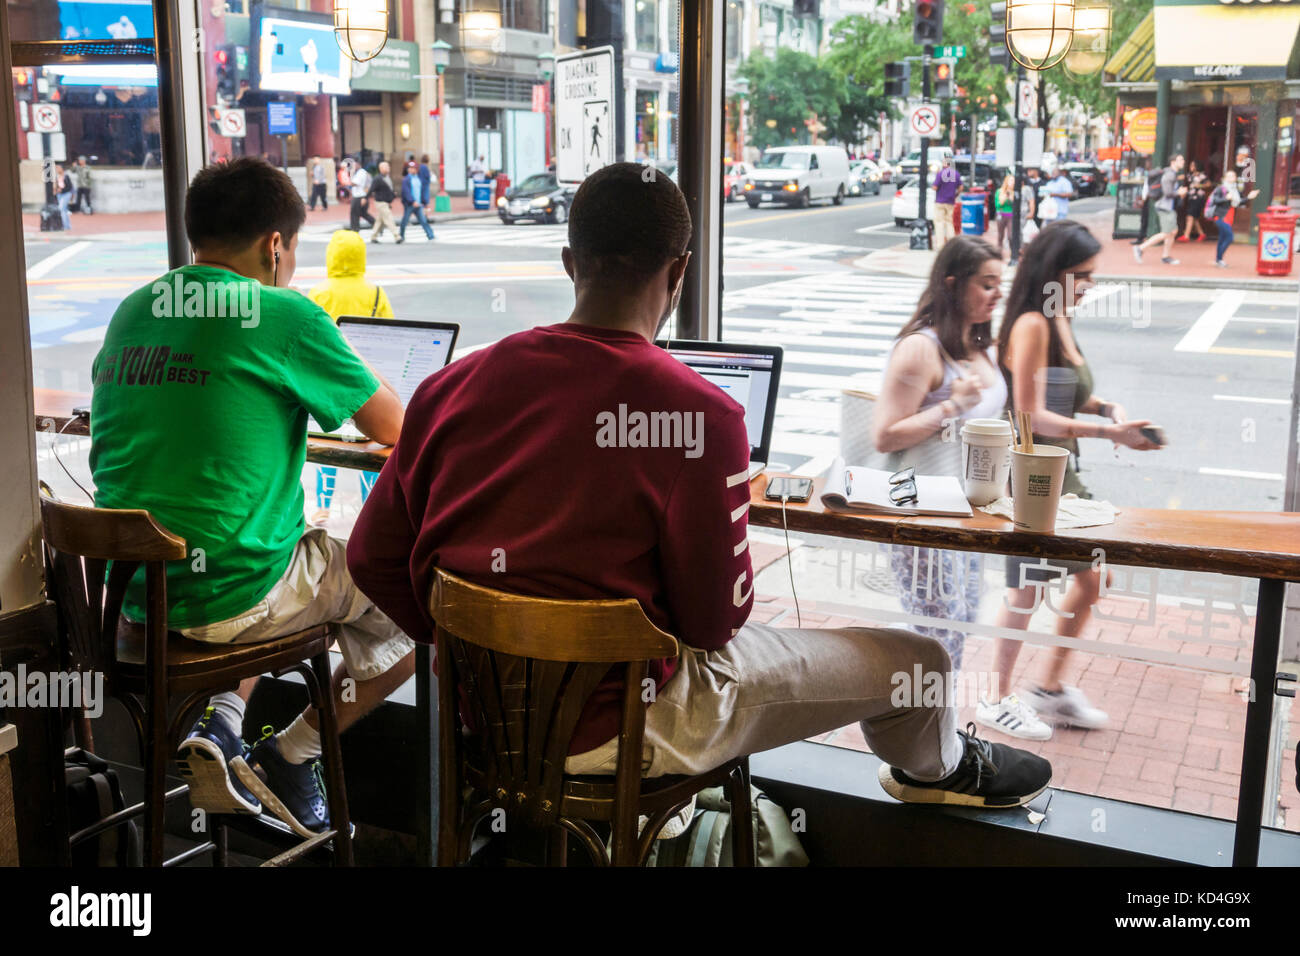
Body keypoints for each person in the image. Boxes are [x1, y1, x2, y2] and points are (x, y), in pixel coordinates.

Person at [346, 162, 1053, 810]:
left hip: (482, 719)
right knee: (920, 661)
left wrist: (478, 649)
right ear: (680, 272)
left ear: (569, 263)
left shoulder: (448, 388)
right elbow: (713, 628)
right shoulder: (703, 415)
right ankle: (946, 777)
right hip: (631, 727)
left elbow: (371, 559)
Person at [89, 157, 412, 835]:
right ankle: (293, 755)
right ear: (275, 245)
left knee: (266, 529)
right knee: (418, 591)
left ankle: (225, 725)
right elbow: (395, 427)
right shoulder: (281, 313)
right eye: (291, 251)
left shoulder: (132, 311)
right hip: (229, 600)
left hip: (134, 608)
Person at [984, 220, 1162, 739]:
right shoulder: (1032, 325)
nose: (1089, 285)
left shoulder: (1060, 318)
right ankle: (998, 695)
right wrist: (1111, 431)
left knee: (1089, 576)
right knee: (1028, 588)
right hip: (1032, 473)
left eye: (1091, 275)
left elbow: (1063, 397)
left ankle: (1049, 689)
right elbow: (1032, 415)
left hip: (1058, 470)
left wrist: (1106, 407)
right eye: (1081, 274)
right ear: (1053, 271)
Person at [873, 236, 1016, 704]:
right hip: (921, 506)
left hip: (969, 506)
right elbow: (885, 434)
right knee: (941, 632)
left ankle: (928, 732)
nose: (997, 293)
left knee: (962, 617)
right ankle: (931, 743)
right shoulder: (921, 349)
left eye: (1001, 283)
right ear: (953, 284)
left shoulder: (981, 343)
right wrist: (951, 407)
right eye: (986, 284)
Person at [308, 229, 395, 525]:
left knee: (330, 441)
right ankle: (369, 506)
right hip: (365, 379)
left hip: (329, 382)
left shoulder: (320, 292)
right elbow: (389, 328)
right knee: (371, 444)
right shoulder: (376, 292)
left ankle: (323, 505)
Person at [1134, 154, 1186, 265]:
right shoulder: (1169, 175)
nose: (1183, 161)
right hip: (1164, 207)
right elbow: (1168, 193)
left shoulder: (1172, 174)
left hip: (1167, 206)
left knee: (1173, 231)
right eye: (1180, 160)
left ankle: (1166, 256)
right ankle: (1140, 248)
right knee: (1166, 233)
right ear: (1173, 162)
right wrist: (1179, 192)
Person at [1205, 170, 1259, 269]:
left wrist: (1249, 197)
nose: (1231, 178)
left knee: (1222, 238)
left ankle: (1218, 259)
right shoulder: (1220, 189)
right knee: (1229, 237)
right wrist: (1226, 198)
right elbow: (1216, 200)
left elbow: (1238, 202)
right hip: (1220, 217)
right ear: (1225, 178)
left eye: (1233, 176)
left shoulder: (1234, 190)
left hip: (1229, 217)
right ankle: (1220, 260)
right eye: (1229, 176)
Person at [398, 161, 434, 243]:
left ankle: (430, 235)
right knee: (405, 220)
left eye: (413, 168)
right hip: (410, 204)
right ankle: (401, 235)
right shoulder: (406, 179)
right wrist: (412, 201)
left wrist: (424, 202)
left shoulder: (418, 179)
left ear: (416, 169)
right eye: (410, 168)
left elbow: (421, 191)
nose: (411, 170)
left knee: (423, 220)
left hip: (418, 204)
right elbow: (406, 192)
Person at [931, 156, 963, 249]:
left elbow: (935, 187)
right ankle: (951, 245)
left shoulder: (940, 174)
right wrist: (956, 194)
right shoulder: (956, 174)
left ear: (945, 164)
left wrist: (933, 187)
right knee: (949, 223)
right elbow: (961, 187)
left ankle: (940, 245)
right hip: (950, 201)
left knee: (939, 223)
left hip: (940, 201)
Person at [366, 161, 398, 243]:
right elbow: (371, 189)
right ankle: (397, 236)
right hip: (380, 202)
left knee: (380, 221)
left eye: (388, 167)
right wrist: (365, 198)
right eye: (386, 167)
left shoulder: (387, 177)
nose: (388, 168)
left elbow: (389, 189)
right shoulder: (377, 179)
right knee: (388, 218)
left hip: (386, 202)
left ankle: (373, 236)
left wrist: (393, 195)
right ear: (381, 169)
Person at [1177, 160, 1209, 243]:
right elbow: (1182, 177)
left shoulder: (1202, 175)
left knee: (1190, 216)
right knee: (1194, 217)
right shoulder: (1190, 175)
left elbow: (1209, 184)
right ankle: (1202, 234)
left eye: (1192, 165)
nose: (1191, 167)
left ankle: (1186, 236)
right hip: (1191, 198)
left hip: (1198, 198)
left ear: (1196, 166)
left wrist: (1200, 185)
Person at [348, 159, 374, 232]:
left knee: (354, 214)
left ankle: (355, 229)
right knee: (363, 213)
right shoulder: (360, 173)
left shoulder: (361, 173)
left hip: (359, 196)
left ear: (358, 164)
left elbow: (354, 183)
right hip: (360, 196)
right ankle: (376, 225)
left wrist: (350, 177)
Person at [994, 173, 1015, 252]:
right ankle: (998, 252)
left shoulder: (1015, 192)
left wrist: (1011, 197)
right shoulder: (999, 191)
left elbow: (1015, 205)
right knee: (1000, 236)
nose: (1013, 182)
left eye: (1013, 180)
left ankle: (1012, 253)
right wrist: (1005, 196)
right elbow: (998, 205)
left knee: (1010, 236)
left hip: (1011, 216)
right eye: (1011, 180)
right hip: (1001, 215)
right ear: (1006, 181)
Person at [54, 163, 74, 231]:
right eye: (56, 168)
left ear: (62, 169)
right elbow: (57, 185)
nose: (57, 169)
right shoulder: (57, 176)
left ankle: (65, 226)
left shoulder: (66, 176)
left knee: (61, 209)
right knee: (64, 210)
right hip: (59, 194)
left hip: (66, 194)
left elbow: (70, 187)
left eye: (58, 168)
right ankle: (67, 226)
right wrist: (56, 190)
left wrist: (62, 190)